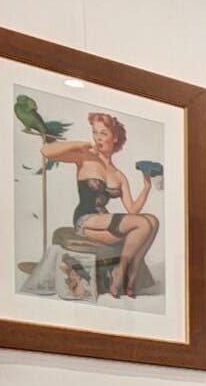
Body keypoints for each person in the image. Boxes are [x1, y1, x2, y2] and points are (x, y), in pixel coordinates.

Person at [39, 111, 158, 299]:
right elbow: (46, 151)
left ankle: (131, 268)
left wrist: (147, 186)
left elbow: (133, 210)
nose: (97, 138)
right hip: (86, 220)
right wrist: (80, 144)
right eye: (95, 132)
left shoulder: (119, 175)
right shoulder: (85, 157)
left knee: (152, 220)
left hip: (104, 224)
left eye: (103, 133)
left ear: (115, 137)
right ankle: (123, 271)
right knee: (143, 223)